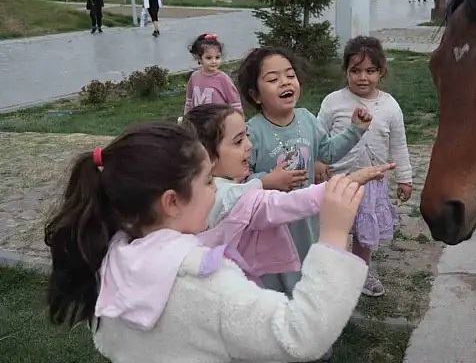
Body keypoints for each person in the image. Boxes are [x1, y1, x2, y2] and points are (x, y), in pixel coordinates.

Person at [44, 121, 373, 362]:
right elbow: (300, 335)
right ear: (172, 202)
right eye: (207, 182)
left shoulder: (110, 259)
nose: (216, 188)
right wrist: (332, 237)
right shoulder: (205, 282)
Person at [183, 104, 395, 285]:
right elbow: (291, 203)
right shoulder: (234, 197)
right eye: (238, 141)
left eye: (246, 137)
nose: (249, 145)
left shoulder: (193, 191)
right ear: (207, 156)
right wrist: (349, 181)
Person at [317, 36, 413, 297]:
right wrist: (319, 162)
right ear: (346, 71)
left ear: (381, 71)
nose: (362, 77)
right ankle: (330, 272)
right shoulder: (333, 102)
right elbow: (318, 136)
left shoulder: (390, 106)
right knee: (335, 230)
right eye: (355, 70)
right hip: (338, 182)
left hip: (372, 184)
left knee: (363, 234)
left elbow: (399, 145)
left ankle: (359, 273)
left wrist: (405, 178)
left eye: (370, 71)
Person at [184, 34, 242, 114]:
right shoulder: (194, 77)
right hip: (197, 122)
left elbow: (235, 104)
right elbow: (189, 101)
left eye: (217, 57)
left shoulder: (223, 79)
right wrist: (186, 118)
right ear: (199, 58)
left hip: (219, 123)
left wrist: (238, 122)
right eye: (209, 58)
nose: (214, 61)